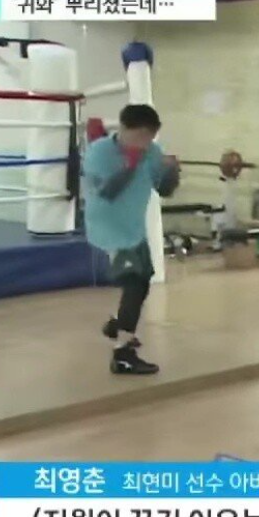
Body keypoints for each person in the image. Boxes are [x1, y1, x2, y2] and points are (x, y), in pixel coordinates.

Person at [83, 103, 179, 375]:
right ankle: (123, 354)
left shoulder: (152, 151)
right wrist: (131, 165)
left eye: (150, 137)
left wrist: (171, 172)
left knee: (144, 280)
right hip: (108, 229)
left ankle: (118, 324)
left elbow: (164, 190)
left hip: (134, 228)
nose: (145, 142)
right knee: (135, 284)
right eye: (140, 136)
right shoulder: (99, 152)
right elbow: (108, 192)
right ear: (124, 129)